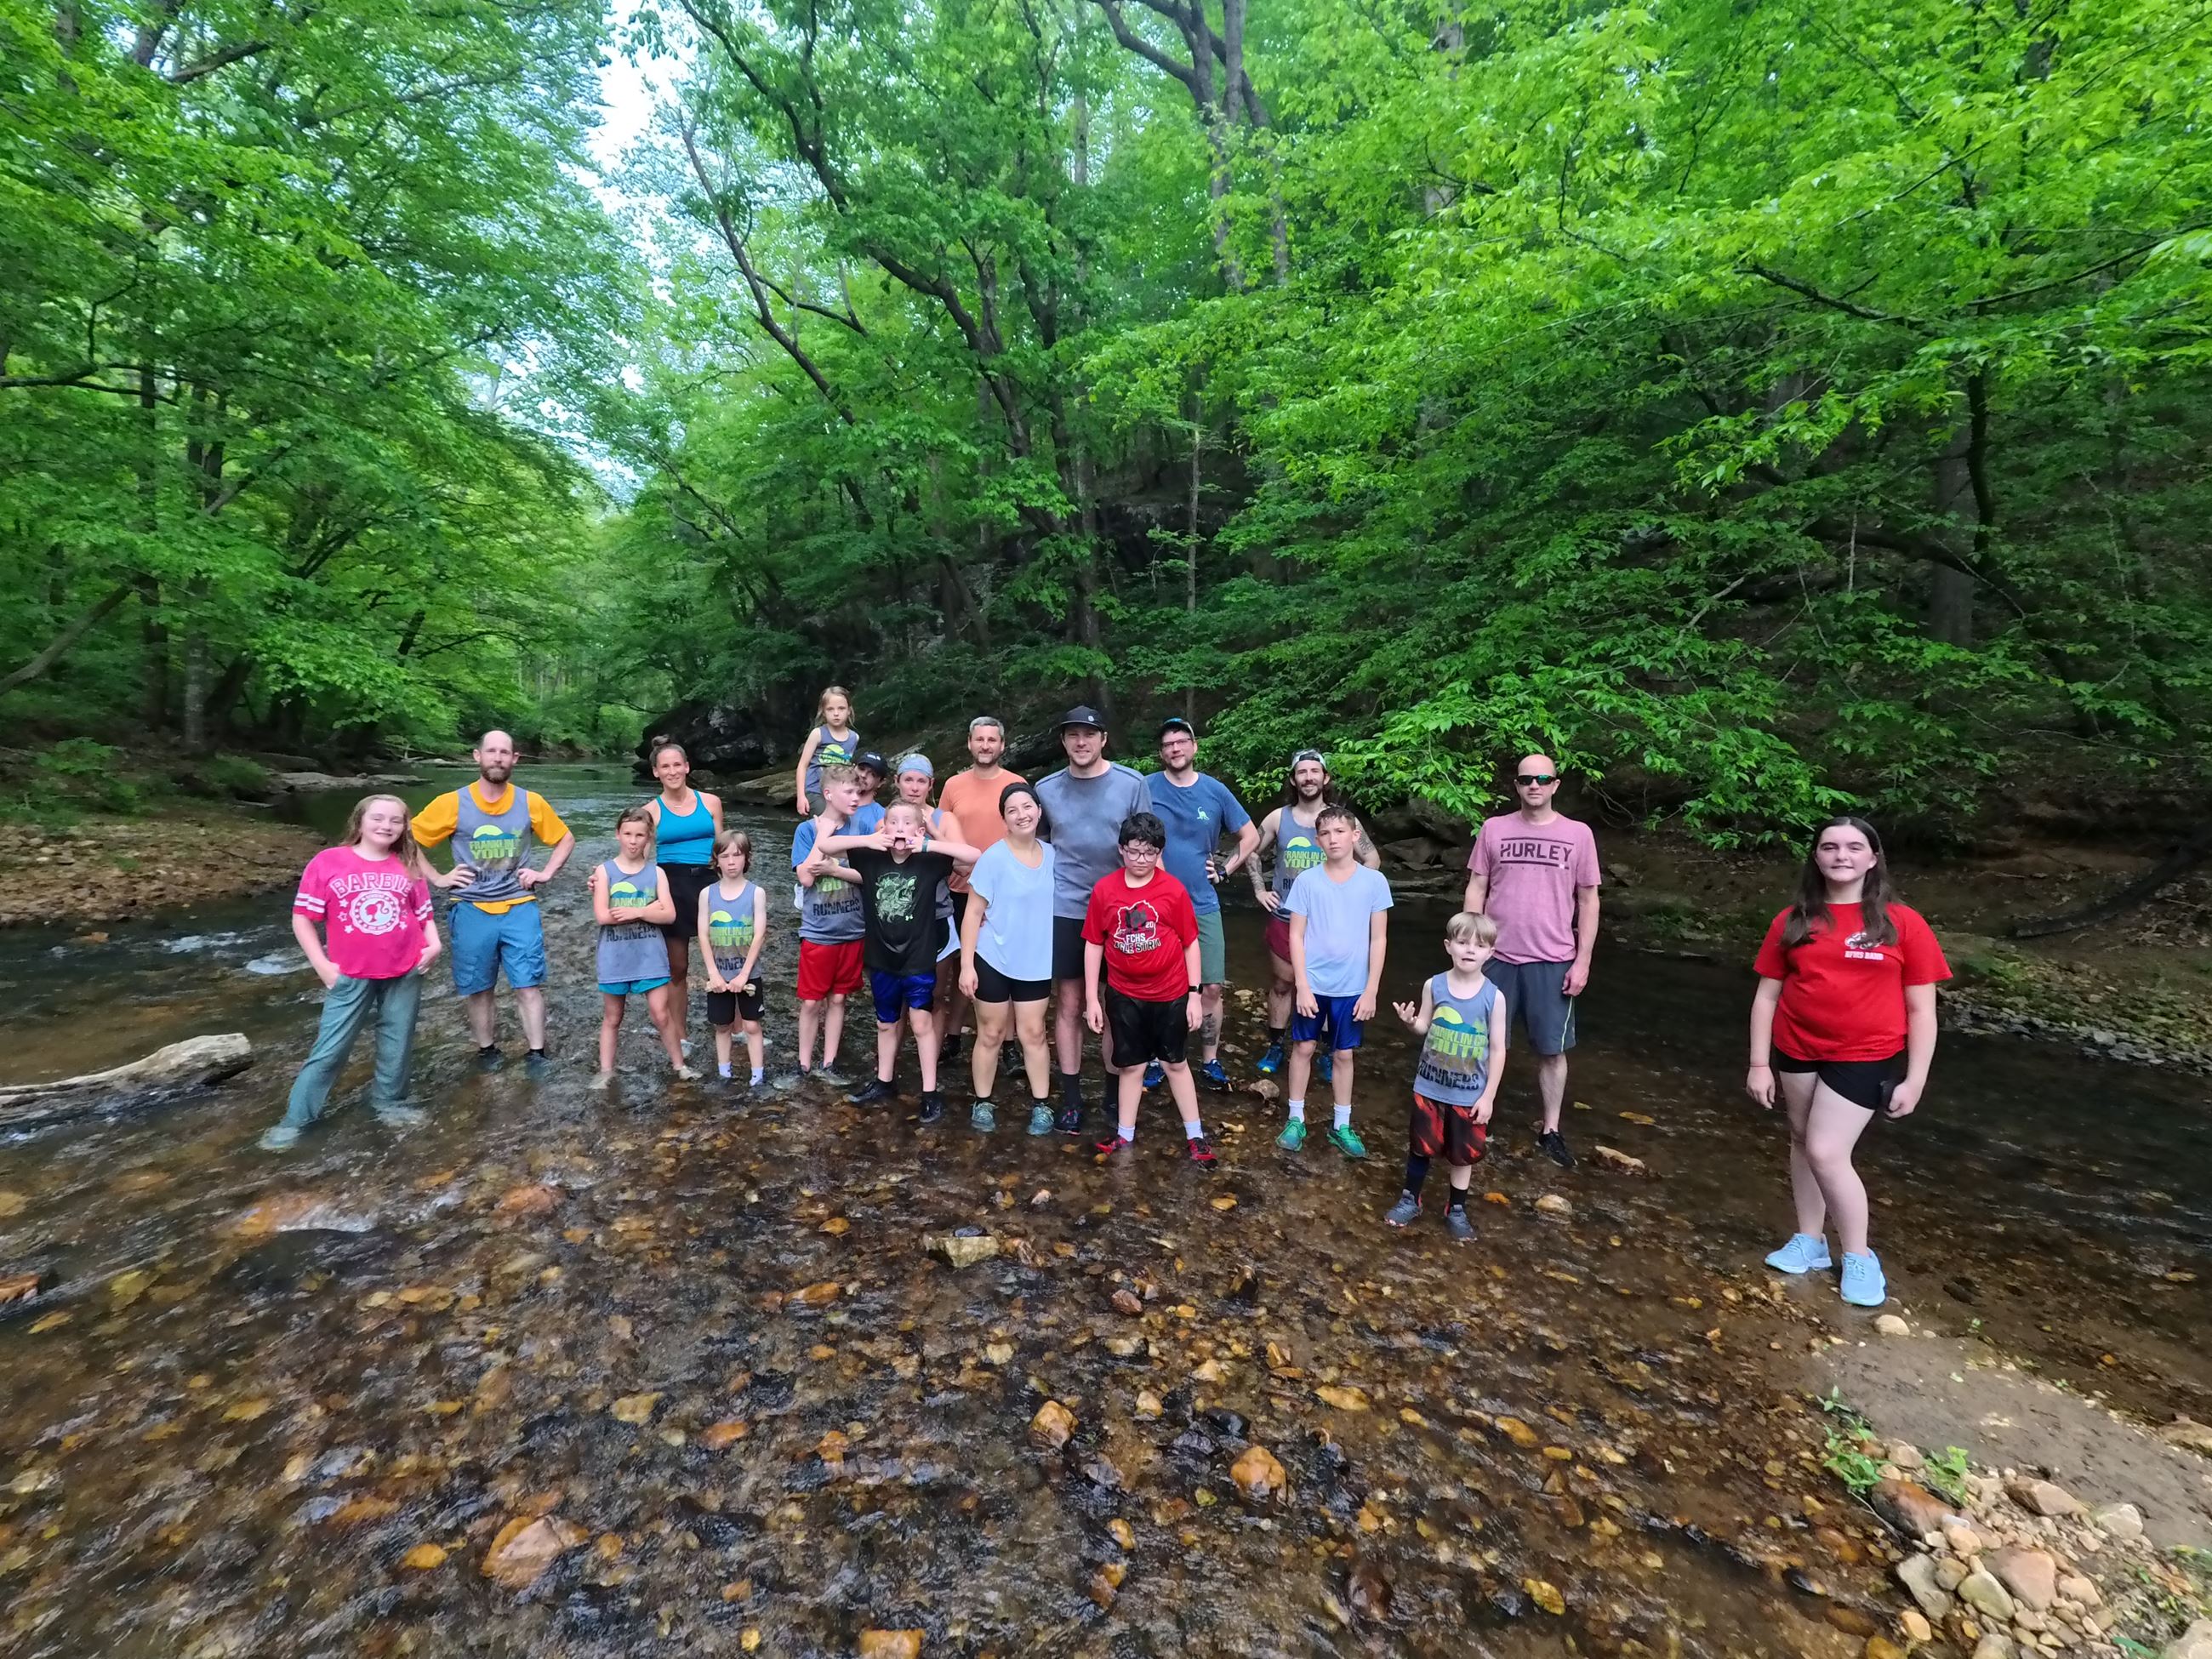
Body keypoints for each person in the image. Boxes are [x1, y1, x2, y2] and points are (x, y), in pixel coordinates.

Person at [1747, 817, 1948, 1309]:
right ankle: (1811, 1242)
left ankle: (1859, 1255)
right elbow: (1766, 997)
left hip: (1865, 1053)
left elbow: (1923, 1009)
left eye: (1854, 847)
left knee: (1826, 1151)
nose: (1841, 855)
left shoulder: (1902, 923)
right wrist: (1758, 1063)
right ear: (1816, 857)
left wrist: (1916, 1079)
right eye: (1830, 847)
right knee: (1800, 1140)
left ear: (1873, 858)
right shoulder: (1792, 920)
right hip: (1797, 1048)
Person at [259, 795, 442, 1151]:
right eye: (378, 818)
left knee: (397, 1043)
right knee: (330, 1050)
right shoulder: (329, 862)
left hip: (406, 968)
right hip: (350, 974)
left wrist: (434, 945)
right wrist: (322, 966)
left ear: (405, 828)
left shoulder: (407, 865)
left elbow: (424, 915)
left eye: (395, 821)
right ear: (359, 822)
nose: (386, 826)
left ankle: (390, 1103)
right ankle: (296, 1119)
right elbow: (302, 919)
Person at [1462, 753, 1600, 1168]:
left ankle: (1551, 1129)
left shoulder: (1579, 835)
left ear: (1556, 785)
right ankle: (1475, 1117)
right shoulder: (1494, 829)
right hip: (1496, 956)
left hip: (1554, 958)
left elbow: (1589, 900)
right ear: (1517, 786)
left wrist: (1584, 961)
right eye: (1526, 780)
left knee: (1552, 1050)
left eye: (1542, 779)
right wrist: (1469, 944)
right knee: (1484, 1044)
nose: (1533, 786)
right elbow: (1477, 886)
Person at [410, 730, 575, 1070]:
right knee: (479, 988)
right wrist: (439, 879)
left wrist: (545, 874)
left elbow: (565, 838)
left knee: (528, 985)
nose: (498, 758)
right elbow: (408, 841)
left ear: (515, 759)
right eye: (491, 751)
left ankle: (536, 1054)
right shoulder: (453, 802)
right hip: (469, 907)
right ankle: (487, 1050)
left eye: (505, 753)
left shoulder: (530, 801)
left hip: (519, 906)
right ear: (477, 756)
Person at [813, 804, 985, 1123]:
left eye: (908, 823)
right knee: (885, 1022)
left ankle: (930, 1091)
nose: (900, 828)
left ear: (919, 830)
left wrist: (927, 842)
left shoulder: (929, 861)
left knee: (921, 1023)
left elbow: (973, 854)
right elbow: (826, 846)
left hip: (918, 957)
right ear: (884, 828)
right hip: (881, 956)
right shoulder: (870, 858)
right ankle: (885, 1081)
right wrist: (869, 839)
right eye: (893, 822)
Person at [1035, 706, 1152, 1135]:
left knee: (1117, 1005)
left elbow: (1150, 844)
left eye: (1089, 734)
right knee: (1069, 1004)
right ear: (1063, 741)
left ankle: (1110, 1090)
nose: (1080, 742)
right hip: (1066, 907)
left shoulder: (1131, 783)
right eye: (1072, 735)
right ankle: (1070, 1096)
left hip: (1123, 912)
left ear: (1104, 738)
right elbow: (1036, 848)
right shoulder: (1046, 789)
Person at [1082, 812, 1215, 1165]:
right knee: (1131, 1066)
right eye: (1135, 851)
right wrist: (1091, 998)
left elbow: (1191, 942)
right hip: (1124, 993)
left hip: (1170, 992)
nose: (1142, 860)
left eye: (1150, 853)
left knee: (1175, 1063)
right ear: (1122, 850)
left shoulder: (1172, 890)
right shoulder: (1105, 890)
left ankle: (1196, 1135)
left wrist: (1194, 994)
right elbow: (1094, 943)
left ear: (1160, 853)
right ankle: (1124, 1135)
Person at [1143, 716, 1259, 1092]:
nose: (1175, 749)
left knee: (1210, 986)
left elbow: (1251, 835)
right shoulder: (1146, 788)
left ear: (1193, 746)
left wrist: (1226, 868)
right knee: (1155, 984)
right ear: (1161, 753)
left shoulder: (1214, 791)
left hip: (1202, 902)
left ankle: (1209, 1059)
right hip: (1154, 904)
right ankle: (1154, 1059)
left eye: (1181, 741)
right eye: (1167, 744)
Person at [1249, 750, 1378, 1077]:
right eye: (1302, 772)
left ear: (1326, 778)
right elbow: (1250, 851)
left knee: (1327, 987)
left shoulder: (1341, 822)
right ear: (1293, 779)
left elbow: (1372, 859)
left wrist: (1355, 899)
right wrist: (1260, 890)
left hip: (1329, 922)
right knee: (1283, 984)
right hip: (1285, 916)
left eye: (1314, 771)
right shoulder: (1279, 818)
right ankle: (1277, 1045)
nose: (1309, 777)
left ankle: (1324, 1050)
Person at [1385, 912, 1508, 1238]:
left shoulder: (1494, 998)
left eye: (1479, 945)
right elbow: (1424, 1026)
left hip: (1469, 1093)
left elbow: (1498, 1049)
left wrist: (1489, 1096)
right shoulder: (1434, 985)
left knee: (1462, 1156)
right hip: (1429, 1087)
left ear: (1490, 953)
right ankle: (1411, 1198)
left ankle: (1456, 1208)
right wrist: (1411, 1023)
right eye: (1463, 942)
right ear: (1448, 946)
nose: (1470, 950)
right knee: (1420, 1147)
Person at [1281, 804, 1393, 1157]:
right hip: (1313, 983)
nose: (1333, 840)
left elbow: (1379, 939)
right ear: (1317, 841)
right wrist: (1301, 984)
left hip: (1352, 987)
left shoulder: (1374, 882)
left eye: (1340, 832)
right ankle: (1295, 1117)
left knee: (1344, 1053)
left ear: (1355, 836)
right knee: (1303, 1048)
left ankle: (1341, 1124)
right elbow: (1295, 936)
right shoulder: (1307, 881)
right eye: (1326, 834)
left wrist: (1371, 989)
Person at [957, 779, 1056, 1134]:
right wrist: (967, 965)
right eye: (1012, 810)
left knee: (1033, 1033)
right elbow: (971, 914)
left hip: (1035, 961)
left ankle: (1041, 1104)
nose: (1021, 815)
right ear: (1005, 819)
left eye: (1027, 807)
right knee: (991, 1033)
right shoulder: (993, 858)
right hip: (993, 958)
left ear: (1039, 811)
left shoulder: (1053, 856)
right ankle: (983, 1101)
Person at [938, 715, 1025, 1063]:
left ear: (1002, 745)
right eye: (979, 739)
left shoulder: (1016, 783)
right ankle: (953, 1036)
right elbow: (939, 830)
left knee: (1009, 967)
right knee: (962, 964)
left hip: (1006, 893)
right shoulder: (953, 785)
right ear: (969, 744)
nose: (985, 745)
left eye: (992, 740)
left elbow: (1026, 831)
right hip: (959, 889)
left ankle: (1009, 1044)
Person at [590, 807, 698, 1087]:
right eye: (627, 834)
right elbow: (602, 915)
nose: (633, 841)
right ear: (618, 835)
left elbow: (670, 914)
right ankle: (605, 1072)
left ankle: (679, 1065)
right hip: (615, 956)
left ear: (649, 838)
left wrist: (637, 913)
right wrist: (650, 908)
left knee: (661, 1014)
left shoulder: (657, 874)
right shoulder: (605, 872)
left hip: (650, 955)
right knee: (613, 1017)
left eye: (640, 835)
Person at [643, 739, 724, 1052]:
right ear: (656, 772)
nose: (673, 771)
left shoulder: (711, 802)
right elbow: (640, 860)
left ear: (688, 766)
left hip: (709, 883)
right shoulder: (651, 811)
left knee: (727, 955)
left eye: (678, 764)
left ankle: (740, 1026)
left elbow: (723, 848)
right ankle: (680, 1034)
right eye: (666, 766)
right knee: (678, 967)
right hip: (672, 886)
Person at [790, 762, 869, 1084]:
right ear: (828, 794)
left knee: (839, 998)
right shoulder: (807, 830)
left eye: (858, 791)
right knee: (812, 1001)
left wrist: (835, 870)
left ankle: (829, 1062)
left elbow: (868, 877)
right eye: (848, 791)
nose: (855, 797)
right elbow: (806, 878)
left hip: (853, 929)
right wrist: (823, 837)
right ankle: (803, 1064)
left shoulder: (862, 829)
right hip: (819, 931)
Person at [892, 753, 966, 1039]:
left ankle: (930, 1073)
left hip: (936, 916)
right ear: (897, 783)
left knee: (933, 996)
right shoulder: (886, 819)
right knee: (895, 999)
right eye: (908, 780)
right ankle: (887, 1070)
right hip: (895, 920)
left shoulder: (944, 819)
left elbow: (964, 865)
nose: (914, 787)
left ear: (930, 785)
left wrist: (932, 834)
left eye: (920, 781)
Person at [699, 830, 769, 1086]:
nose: (731, 862)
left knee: (751, 1026)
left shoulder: (756, 893)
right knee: (722, 1026)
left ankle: (757, 1076)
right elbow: (703, 935)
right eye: (725, 856)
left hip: (749, 974)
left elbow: (759, 934)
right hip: (718, 974)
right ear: (716, 860)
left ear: (746, 858)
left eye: (737, 856)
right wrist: (713, 973)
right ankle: (724, 1073)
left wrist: (744, 974)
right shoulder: (708, 894)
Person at [792, 685, 861, 815]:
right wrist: (801, 797)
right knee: (826, 821)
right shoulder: (818, 734)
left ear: (849, 711)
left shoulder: (854, 738)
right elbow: (802, 765)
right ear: (823, 712)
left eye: (841, 708)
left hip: (839, 793)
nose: (836, 713)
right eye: (830, 709)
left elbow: (847, 768)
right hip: (815, 791)